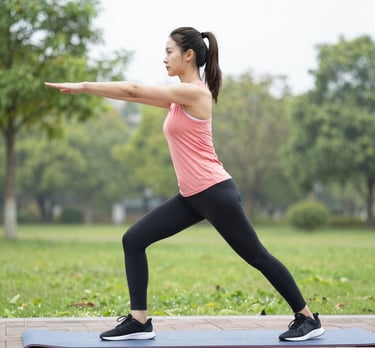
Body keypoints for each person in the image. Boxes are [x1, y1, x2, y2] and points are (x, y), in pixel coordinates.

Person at [45, 26, 325, 342]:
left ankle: (307, 318)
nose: (164, 59)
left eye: (169, 52)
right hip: (192, 196)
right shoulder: (179, 97)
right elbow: (136, 95)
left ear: (188, 55)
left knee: (257, 256)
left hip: (215, 193)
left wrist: (85, 86)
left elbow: (134, 90)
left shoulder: (194, 92)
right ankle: (139, 321)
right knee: (134, 240)